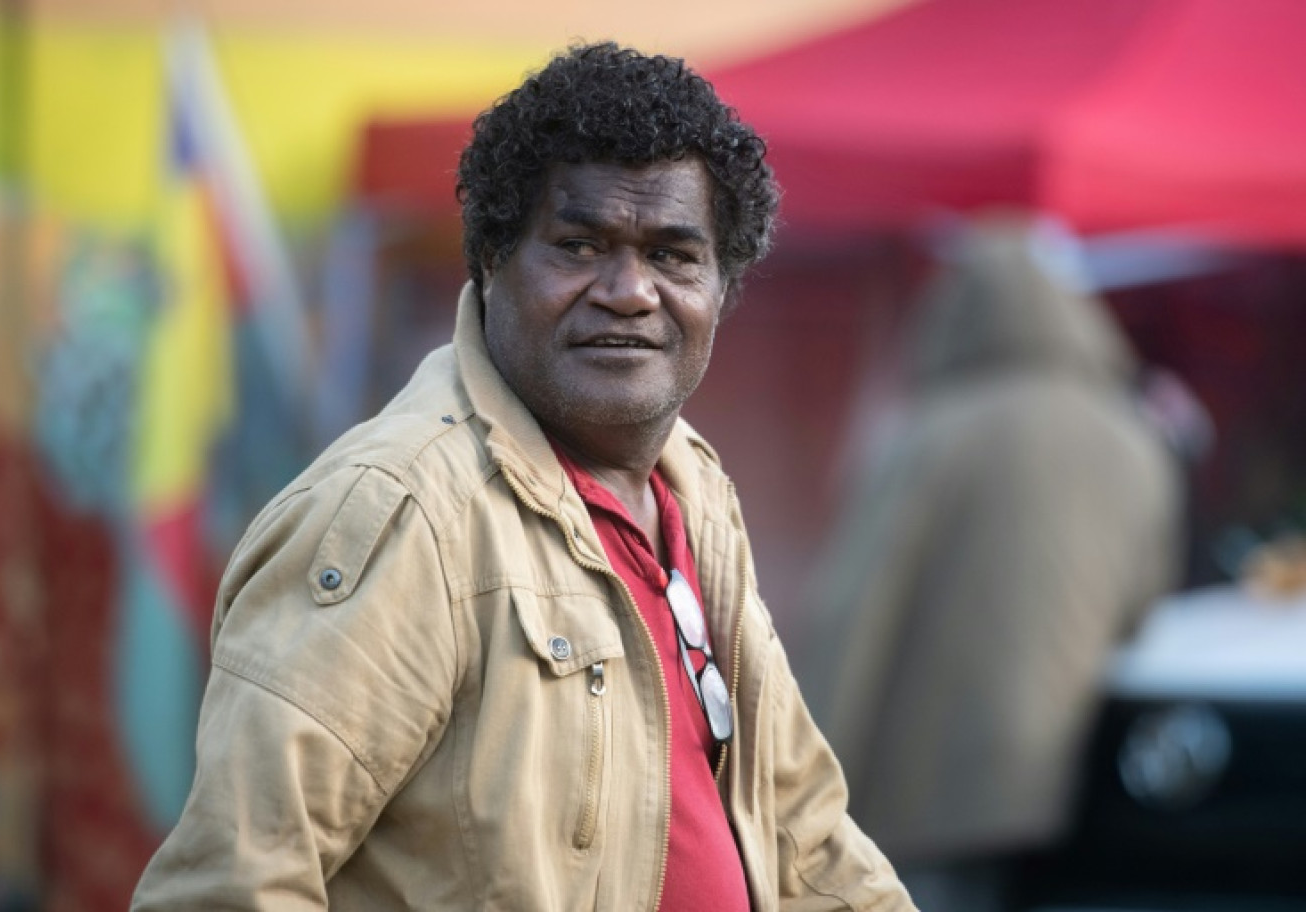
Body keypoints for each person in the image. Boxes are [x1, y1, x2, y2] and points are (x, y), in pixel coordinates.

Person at [132, 42, 917, 911]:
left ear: (721, 288)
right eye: (580, 246)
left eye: (671, 255)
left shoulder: (692, 494)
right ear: (492, 259)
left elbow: (802, 835)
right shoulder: (403, 512)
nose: (629, 290)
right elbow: (232, 883)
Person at [793, 219, 1185, 912]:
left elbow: (854, 614)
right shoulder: (1134, 438)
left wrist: (797, 781)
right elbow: (1145, 612)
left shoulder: (934, 435)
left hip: (929, 791)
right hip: (1080, 786)